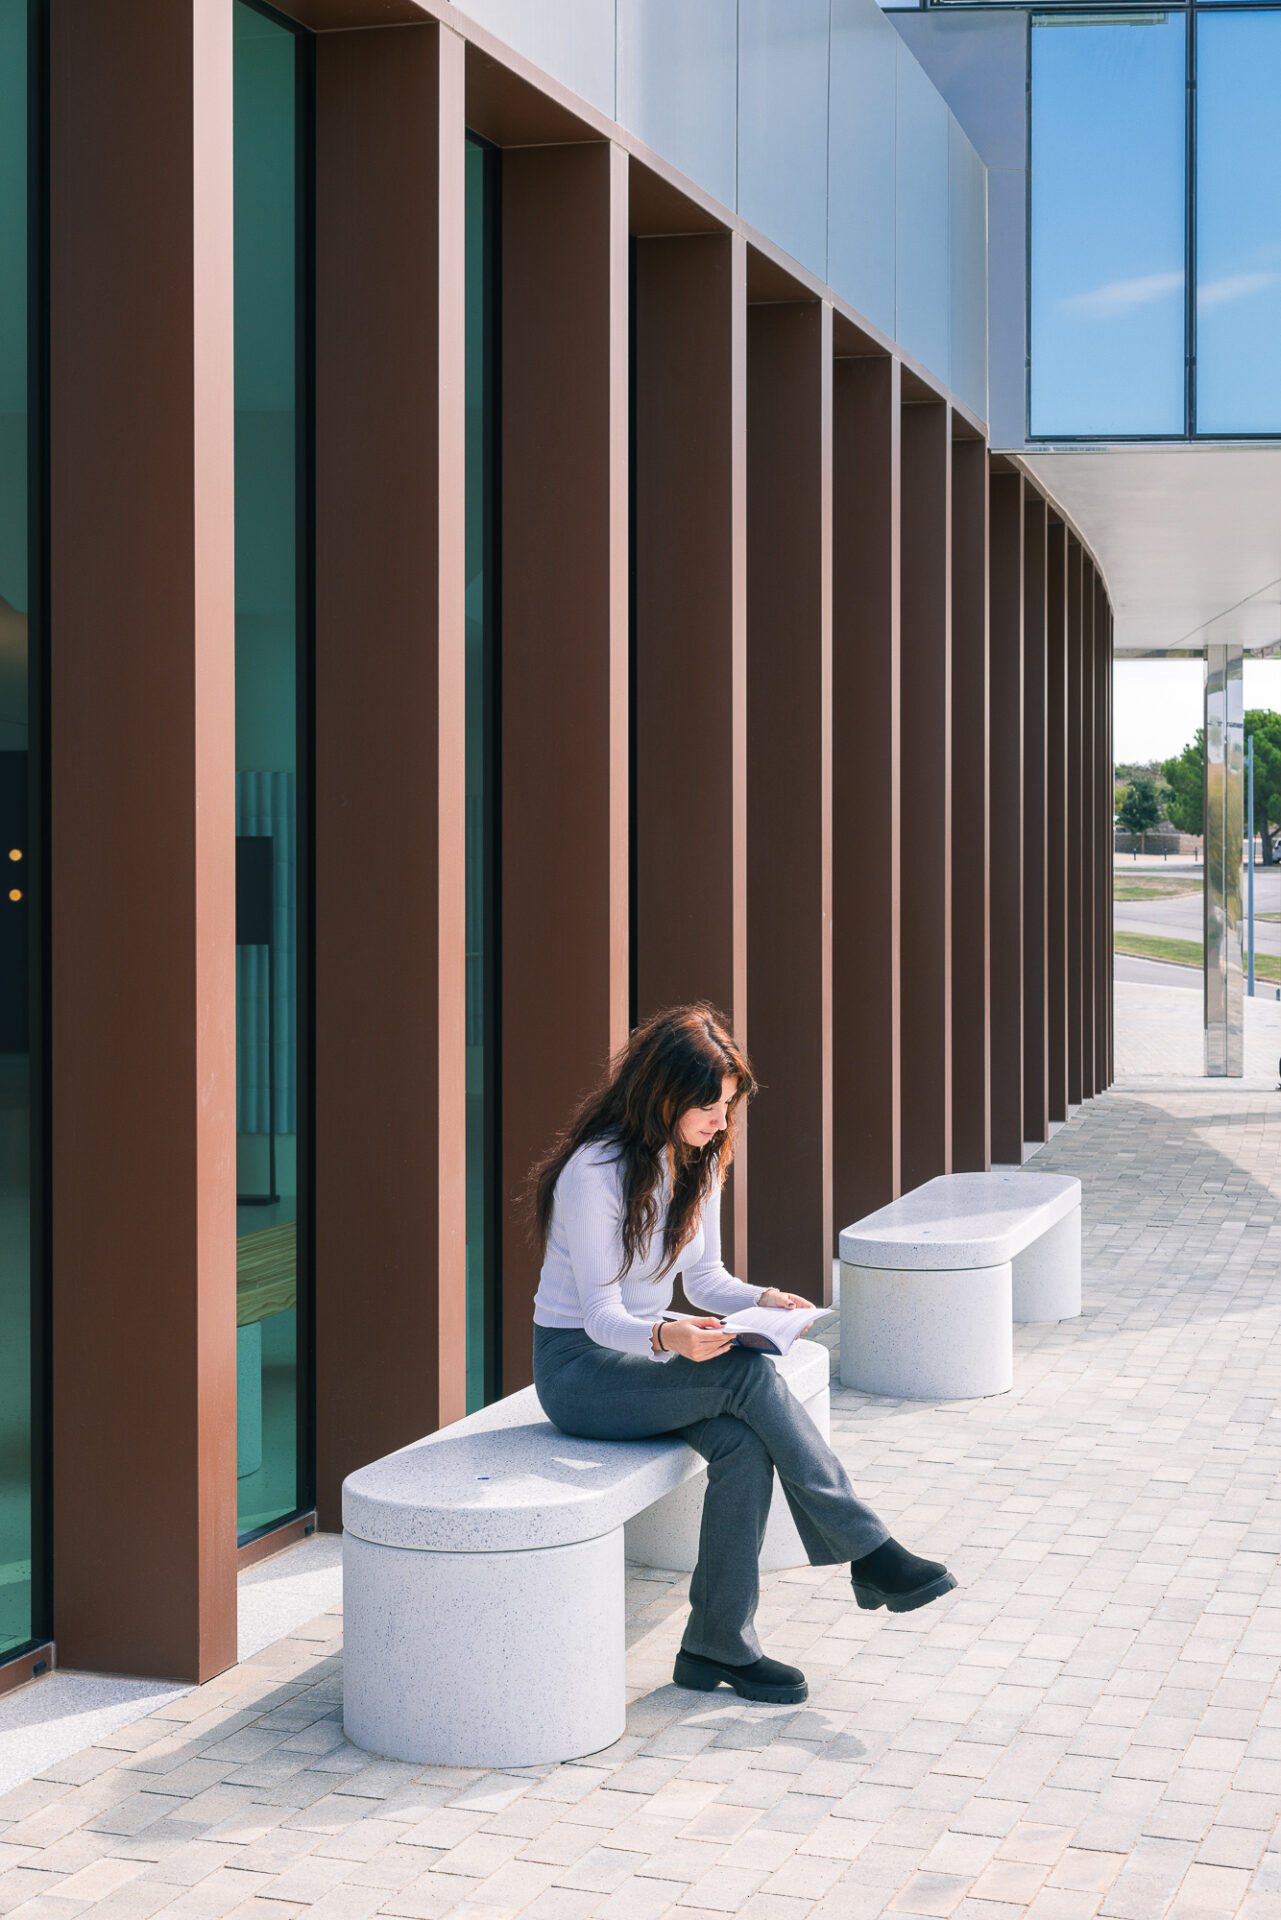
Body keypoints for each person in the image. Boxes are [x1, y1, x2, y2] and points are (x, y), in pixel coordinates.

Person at [530, 1003, 955, 1706]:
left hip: (646, 1356)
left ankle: (715, 1644)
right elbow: (604, 1318)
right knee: (743, 1373)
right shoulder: (595, 1172)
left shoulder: (696, 1159)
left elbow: (704, 1281)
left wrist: (764, 1298)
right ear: (659, 1092)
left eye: (728, 1106)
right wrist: (674, 1337)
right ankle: (870, 1551)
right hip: (580, 1370)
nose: (720, 1121)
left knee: (741, 1445)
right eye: (708, 1105)